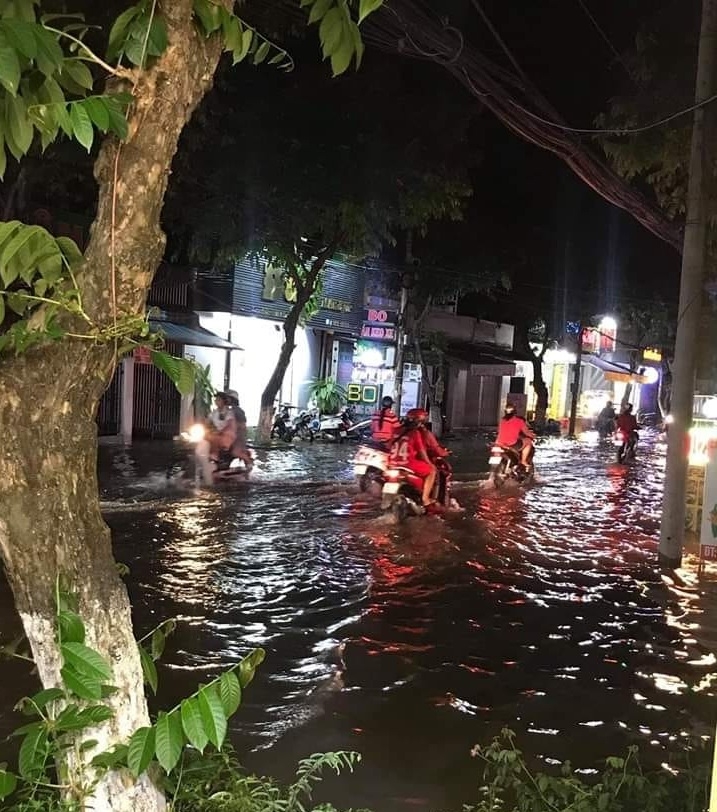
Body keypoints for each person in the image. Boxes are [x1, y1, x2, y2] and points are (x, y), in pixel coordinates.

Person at [389, 407, 436, 507]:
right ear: (419, 422)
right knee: (432, 471)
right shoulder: (415, 433)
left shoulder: (396, 430)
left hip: (392, 464)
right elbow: (422, 451)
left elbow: (389, 446)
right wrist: (429, 463)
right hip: (408, 464)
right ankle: (425, 499)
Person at [495, 402, 535, 470]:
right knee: (528, 442)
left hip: (499, 443)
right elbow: (527, 432)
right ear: (515, 412)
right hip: (512, 444)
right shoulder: (519, 421)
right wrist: (533, 436)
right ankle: (523, 461)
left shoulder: (502, 420)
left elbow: (499, 431)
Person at [225, 389, 253, 470]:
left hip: (238, 436)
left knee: (235, 452)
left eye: (227, 398)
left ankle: (248, 462)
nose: (226, 400)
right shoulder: (227, 410)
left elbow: (242, 425)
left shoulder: (238, 411)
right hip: (229, 435)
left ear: (232, 399)